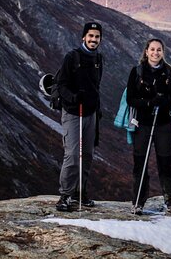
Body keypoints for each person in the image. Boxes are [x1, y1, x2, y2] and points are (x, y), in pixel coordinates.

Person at [126, 38, 171, 216]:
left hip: (163, 124)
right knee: (140, 164)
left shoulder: (168, 72)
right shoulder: (137, 72)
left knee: (165, 164)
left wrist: (163, 101)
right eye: (152, 49)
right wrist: (149, 103)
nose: (155, 53)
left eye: (159, 50)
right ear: (146, 51)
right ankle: (138, 202)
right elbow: (130, 99)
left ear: (162, 52)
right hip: (143, 124)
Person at [55, 22, 104, 212]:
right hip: (74, 113)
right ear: (84, 37)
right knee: (74, 155)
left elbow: (96, 86)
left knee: (88, 155)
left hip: (91, 113)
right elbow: (61, 84)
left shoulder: (99, 58)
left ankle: (80, 192)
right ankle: (65, 196)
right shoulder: (72, 57)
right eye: (90, 36)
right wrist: (74, 98)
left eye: (97, 37)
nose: (93, 40)